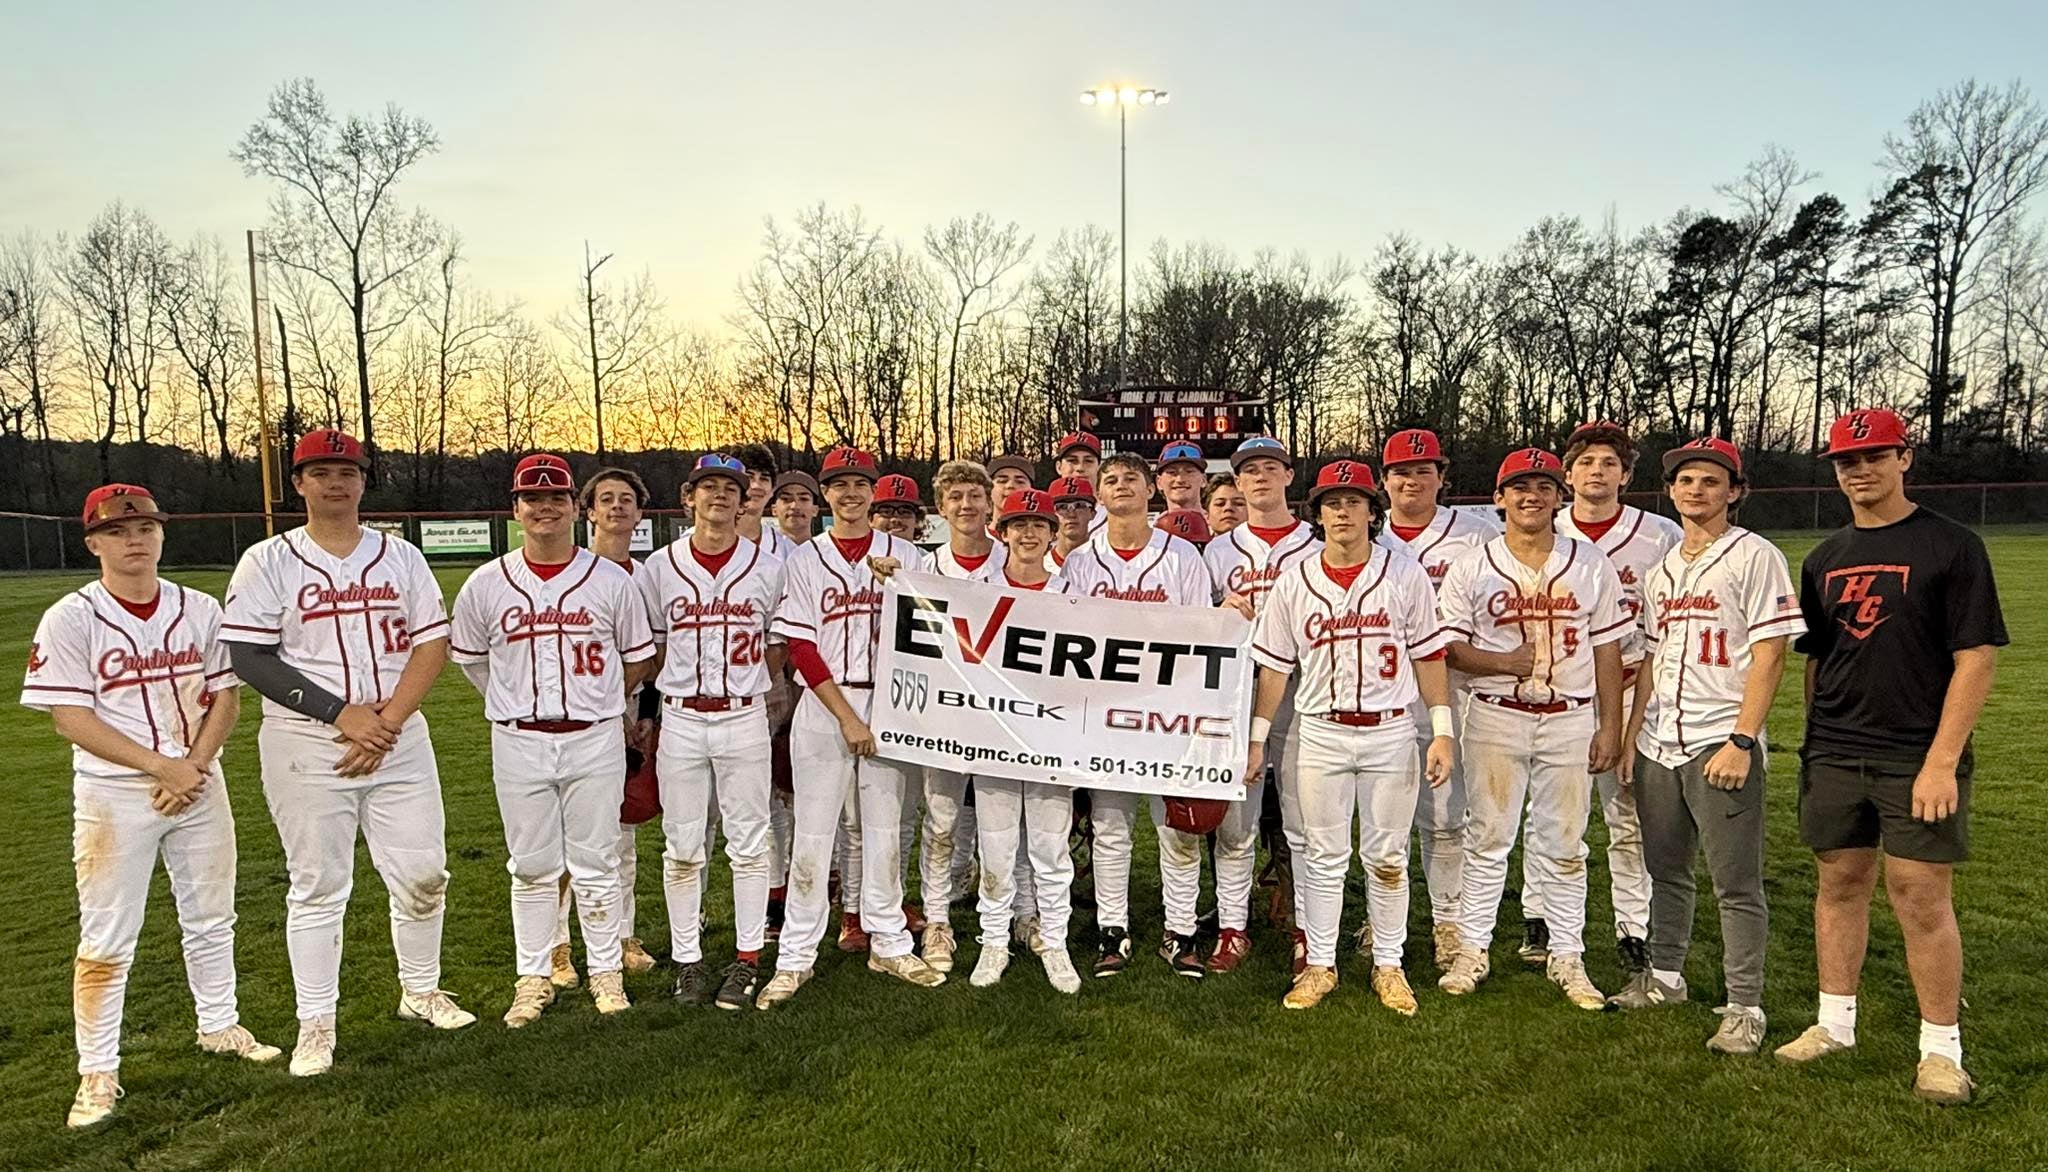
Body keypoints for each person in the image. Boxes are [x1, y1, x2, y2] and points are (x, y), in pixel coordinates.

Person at [23, 485, 280, 1128]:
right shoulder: (70, 616)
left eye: (145, 528)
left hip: (198, 778)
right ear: (93, 543)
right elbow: (69, 717)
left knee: (212, 915)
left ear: (162, 534)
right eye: (117, 532)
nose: (134, 540)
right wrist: (160, 766)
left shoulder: (200, 609)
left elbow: (226, 698)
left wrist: (190, 767)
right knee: (108, 935)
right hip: (116, 791)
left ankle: (219, 1025)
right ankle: (98, 1071)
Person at [222, 429, 471, 1080]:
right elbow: (248, 656)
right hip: (307, 743)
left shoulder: (401, 557)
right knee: (318, 888)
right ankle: (316, 1024)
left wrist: (383, 722)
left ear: (364, 482)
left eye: (347, 472)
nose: (336, 483)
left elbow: (431, 644)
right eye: (321, 472)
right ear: (298, 483)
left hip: (395, 736)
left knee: (424, 875)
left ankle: (421, 991)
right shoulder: (268, 561)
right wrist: (342, 715)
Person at [1773, 408, 2005, 1105]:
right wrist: (1818, 738)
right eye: (1846, 461)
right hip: (1838, 751)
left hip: (1916, 753)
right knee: (1839, 883)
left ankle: (1941, 1050)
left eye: (1874, 456)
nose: (1859, 470)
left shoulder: (1952, 545)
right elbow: (1817, 660)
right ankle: (1834, 1023)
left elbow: (1977, 659)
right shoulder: (1825, 556)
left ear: (1905, 458)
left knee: (1919, 895)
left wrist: (1942, 761)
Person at [450, 454, 658, 1028]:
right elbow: (470, 659)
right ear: (516, 510)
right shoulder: (486, 583)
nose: (545, 507)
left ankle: (606, 974)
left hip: (593, 737)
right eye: (532, 499)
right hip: (518, 740)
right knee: (532, 866)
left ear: (573, 507)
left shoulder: (611, 580)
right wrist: (517, 699)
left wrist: (597, 701)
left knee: (596, 862)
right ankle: (533, 976)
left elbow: (639, 658)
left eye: (556, 498)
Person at [1612, 437, 1802, 1055]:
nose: (1697, 490)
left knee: (1735, 884)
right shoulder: (1662, 569)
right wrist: (1629, 739)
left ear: (1735, 492)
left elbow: (1771, 652)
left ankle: (1745, 1005)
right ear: (1670, 490)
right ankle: (1666, 976)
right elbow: (1648, 660)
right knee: (1665, 870)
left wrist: (1743, 740)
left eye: (1711, 481)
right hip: (1659, 739)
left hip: (1720, 738)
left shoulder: (1755, 555)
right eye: (1686, 480)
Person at [1245, 461, 1455, 1012]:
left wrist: (1442, 731)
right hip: (1320, 732)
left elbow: (1429, 654)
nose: (1342, 511)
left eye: (1354, 501)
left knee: (1387, 856)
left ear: (1372, 510)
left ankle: (1389, 963)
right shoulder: (1295, 579)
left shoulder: (1403, 573)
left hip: (1389, 731)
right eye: (1332, 502)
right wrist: (1257, 738)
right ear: (1317, 513)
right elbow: (1274, 668)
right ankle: (1320, 964)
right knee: (1322, 856)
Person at [1434, 447, 1628, 1011]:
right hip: (1495, 712)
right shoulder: (1474, 564)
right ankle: (1473, 948)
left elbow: (1609, 649)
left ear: (1558, 496)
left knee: (1565, 843)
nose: (1531, 496)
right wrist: (1504, 664)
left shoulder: (1588, 563)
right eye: (1519, 486)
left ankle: (1568, 954)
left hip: (1569, 715)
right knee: (1488, 837)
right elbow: (1447, 647)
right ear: (1499, 498)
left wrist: (1609, 726)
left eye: (1543, 486)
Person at [758, 446, 946, 1008]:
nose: (850, 494)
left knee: (886, 828)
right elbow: (800, 645)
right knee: (814, 832)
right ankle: (795, 955)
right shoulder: (805, 559)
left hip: (891, 702)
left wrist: (904, 586)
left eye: (859, 484)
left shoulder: (906, 555)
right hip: (824, 702)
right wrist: (846, 718)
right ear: (825, 496)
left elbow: (937, 629)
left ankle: (888, 939)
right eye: (838, 485)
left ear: (872, 492)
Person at [636, 453, 789, 1011]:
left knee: (749, 844)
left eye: (731, 487)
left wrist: (749, 686)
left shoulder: (770, 568)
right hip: (680, 715)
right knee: (682, 847)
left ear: (745, 499)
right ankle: (688, 961)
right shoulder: (659, 566)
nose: (720, 496)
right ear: (689, 497)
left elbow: (778, 645)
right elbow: (649, 648)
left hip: (743, 713)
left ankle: (747, 960)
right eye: (709, 487)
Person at [1055, 452, 1214, 978]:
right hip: (1103, 715)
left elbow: (1203, 638)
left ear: (1152, 490)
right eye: (1110, 481)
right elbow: (1058, 639)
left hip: (1168, 712)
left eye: (1131, 479)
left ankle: (1180, 929)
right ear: (1098, 496)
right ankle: (1113, 930)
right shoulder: (1079, 563)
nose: (1121, 486)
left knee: (1177, 828)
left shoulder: (1184, 557)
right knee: (1110, 826)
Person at [1535, 422, 1680, 976]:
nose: (1598, 471)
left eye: (1609, 462)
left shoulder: (1659, 533)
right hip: (1563, 690)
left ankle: (1633, 926)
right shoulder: (1545, 526)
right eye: (1586, 462)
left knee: (1627, 811)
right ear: (1567, 475)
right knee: (1545, 811)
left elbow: (1672, 613)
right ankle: (1539, 916)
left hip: (1632, 683)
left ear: (1626, 473)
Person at [1375, 428, 1499, 971]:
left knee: (1446, 815)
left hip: (1451, 689)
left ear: (1441, 478)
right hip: (1378, 693)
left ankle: (1448, 921)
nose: (1412, 479)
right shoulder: (1363, 533)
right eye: (1401, 470)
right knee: (1384, 818)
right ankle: (1384, 919)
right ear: (1384, 481)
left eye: (1423, 470)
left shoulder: (1476, 534)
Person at [1203, 436, 1319, 976]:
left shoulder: (1315, 545)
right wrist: (1216, 608)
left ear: (1288, 477)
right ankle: (1233, 927)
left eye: (1270, 468)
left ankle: (1306, 931)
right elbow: (1194, 627)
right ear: (1238, 481)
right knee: (1236, 819)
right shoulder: (1218, 551)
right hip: (1235, 691)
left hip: (1301, 692)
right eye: (1250, 471)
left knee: (1302, 818)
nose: (1260, 479)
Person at [963, 488, 1085, 992]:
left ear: (1052, 534)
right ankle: (994, 941)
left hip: (1051, 733)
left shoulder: (1071, 591)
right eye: (1018, 525)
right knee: (995, 846)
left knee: (1051, 848)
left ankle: (1053, 941)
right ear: (1002, 532)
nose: (1029, 533)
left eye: (1038, 525)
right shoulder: (976, 589)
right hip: (994, 730)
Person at [547, 467, 661, 988]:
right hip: (575, 717)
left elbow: (658, 653)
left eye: (627, 500)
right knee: (562, 842)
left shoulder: (648, 575)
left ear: (641, 513)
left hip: (631, 713)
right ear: (587, 510)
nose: (617, 508)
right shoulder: (570, 569)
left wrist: (645, 716)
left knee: (621, 835)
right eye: (605, 499)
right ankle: (557, 945)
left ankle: (621, 934)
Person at [909, 460, 1009, 973]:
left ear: (990, 502)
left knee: (1001, 825)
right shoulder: (925, 572)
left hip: (1003, 718)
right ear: (940, 507)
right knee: (942, 822)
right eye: (955, 498)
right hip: (943, 717)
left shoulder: (1014, 562)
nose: (966, 506)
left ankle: (1010, 919)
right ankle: (938, 922)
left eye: (975, 495)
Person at [763, 470, 822, 938]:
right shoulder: (763, 555)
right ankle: (776, 889)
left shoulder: (821, 555)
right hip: (772, 680)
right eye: (787, 499)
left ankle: (832, 882)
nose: (795, 507)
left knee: (821, 799)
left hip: (816, 682)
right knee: (772, 797)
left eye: (805, 499)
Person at [1053, 432, 1109, 536]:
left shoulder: (1113, 513)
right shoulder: (1045, 508)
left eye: (1088, 461)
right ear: (1059, 467)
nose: (1080, 468)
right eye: (1072, 461)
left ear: (1100, 468)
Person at [1048, 476, 1097, 568]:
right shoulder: (1039, 567)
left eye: (1079, 506)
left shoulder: (1108, 562)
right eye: (1061, 507)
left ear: (1092, 513)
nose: (1071, 514)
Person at [1156, 440, 1208, 512]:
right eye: (1172, 472)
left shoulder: (1218, 522)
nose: (1180, 479)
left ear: (1204, 480)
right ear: (1159, 482)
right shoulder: (1150, 523)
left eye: (1189, 472)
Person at [871, 474, 925, 543]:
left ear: (917, 520)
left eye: (904, 512)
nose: (895, 519)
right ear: (870, 519)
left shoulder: (928, 554)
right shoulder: (857, 553)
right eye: (887, 512)